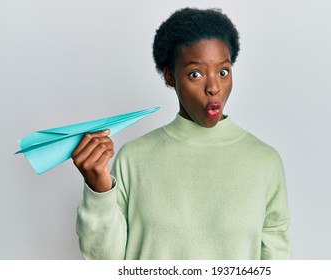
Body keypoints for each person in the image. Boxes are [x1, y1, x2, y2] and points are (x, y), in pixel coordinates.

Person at [72, 7, 291, 260]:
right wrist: (98, 189)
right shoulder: (133, 158)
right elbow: (104, 263)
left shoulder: (264, 161)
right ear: (170, 77)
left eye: (223, 72)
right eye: (195, 74)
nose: (213, 88)